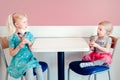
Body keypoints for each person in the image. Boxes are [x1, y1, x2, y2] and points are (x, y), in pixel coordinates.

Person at [6, 12, 44, 80]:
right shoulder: (13, 38)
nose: (26, 23)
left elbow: (32, 48)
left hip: (30, 59)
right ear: (17, 24)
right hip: (19, 61)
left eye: (26, 21)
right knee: (29, 69)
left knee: (39, 69)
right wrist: (18, 47)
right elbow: (11, 53)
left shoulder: (29, 35)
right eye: (24, 22)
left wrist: (29, 42)